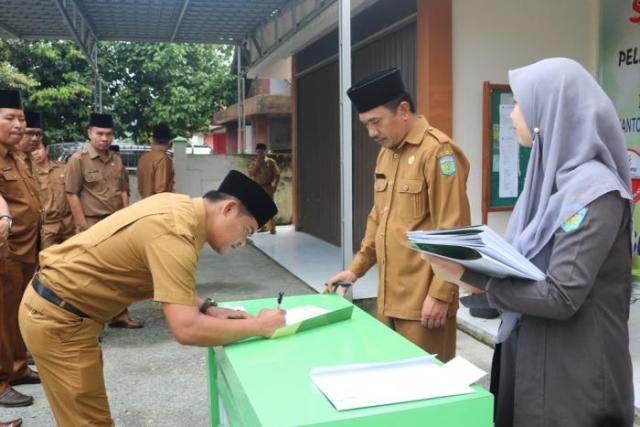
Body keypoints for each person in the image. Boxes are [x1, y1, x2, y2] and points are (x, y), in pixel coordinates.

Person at [425, 58, 634, 426]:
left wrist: (476, 278)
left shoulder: (594, 193)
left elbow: (562, 295)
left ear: (550, 110)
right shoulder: (548, 183)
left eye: (520, 104)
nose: (512, 115)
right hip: (531, 359)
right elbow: (526, 268)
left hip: (574, 379)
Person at [19, 170, 285, 426]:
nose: (241, 242)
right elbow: (186, 328)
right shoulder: (175, 234)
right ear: (227, 209)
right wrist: (259, 326)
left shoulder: (177, 207)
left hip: (62, 310)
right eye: (246, 231)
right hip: (59, 320)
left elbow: (165, 278)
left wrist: (206, 307)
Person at [326, 68, 471, 362]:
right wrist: (356, 269)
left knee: (427, 395)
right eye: (365, 125)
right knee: (395, 388)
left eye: (376, 122)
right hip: (389, 300)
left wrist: (441, 294)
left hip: (424, 305)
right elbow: (378, 219)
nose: (371, 133)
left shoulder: (438, 152)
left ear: (403, 110)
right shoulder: (387, 153)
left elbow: (455, 229)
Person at [65, 112, 142, 329]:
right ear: (90, 133)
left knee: (119, 271)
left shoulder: (116, 160)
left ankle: (120, 316)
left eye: (109, 134)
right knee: (91, 275)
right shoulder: (78, 160)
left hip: (116, 223)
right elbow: (72, 194)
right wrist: (82, 226)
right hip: (92, 223)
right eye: (99, 133)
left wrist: (127, 218)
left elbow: (124, 190)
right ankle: (90, 323)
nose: (105, 138)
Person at [0, 90, 41, 410]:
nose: (18, 125)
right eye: (9, 118)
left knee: (15, 313)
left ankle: (17, 367)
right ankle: (2, 382)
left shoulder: (14, 155)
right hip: (6, 250)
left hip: (27, 246)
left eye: (21, 118)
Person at [31, 138, 75, 248]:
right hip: (47, 227)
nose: (35, 153)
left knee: (73, 257)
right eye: (32, 150)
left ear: (46, 150)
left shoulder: (63, 168)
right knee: (48, 259)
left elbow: (75, 191)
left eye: (38, 148)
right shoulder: (29, 174)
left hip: (69, 223)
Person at [136, 123, 175, 199]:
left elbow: (140, 187)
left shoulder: (143, 158)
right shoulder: (164, 159)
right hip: (158, 206)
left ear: (153, 140)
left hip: (144, 203)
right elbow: (160, 189)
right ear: (170, 142)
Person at [248, 143, 280, 234]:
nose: (260, 154)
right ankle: (263, 226)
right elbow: (251, 174)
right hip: (257, 187)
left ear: (265, 152)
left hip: (268, 187)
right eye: (258, 152)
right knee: (259, 208)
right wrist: (257, 164)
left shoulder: (271, 162)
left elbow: (277, 175)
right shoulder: (254, 162)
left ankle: (272, 228)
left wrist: (274, 186)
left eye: (262, 152)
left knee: (269, 207)